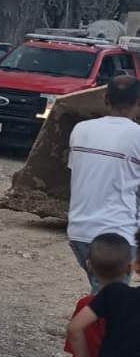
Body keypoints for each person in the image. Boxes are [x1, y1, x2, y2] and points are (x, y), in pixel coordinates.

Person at [66, 75, 140, 291]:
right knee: (111, 299)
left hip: (79, 231)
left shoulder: (80, 129)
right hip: (117, 235)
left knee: (103, 293)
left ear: (106, 99)